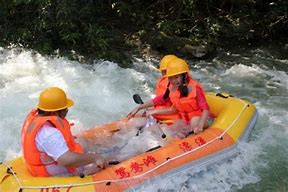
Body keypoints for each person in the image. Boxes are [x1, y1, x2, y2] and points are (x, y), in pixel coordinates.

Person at [21, 87, 107, 177]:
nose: (67, 111)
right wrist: (94, 158)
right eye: (65, 108)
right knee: (101, 161)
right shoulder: (50, 134)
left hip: (41, 162)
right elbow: (66, 160)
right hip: (49, 170)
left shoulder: (36, 119)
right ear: (55, 111)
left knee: (82, 142)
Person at [127, 58, 210, 136]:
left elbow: (205, 109)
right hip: (184, 121)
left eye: (176, 77)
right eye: (171, 78)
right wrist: (139, 107)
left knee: (194, 121)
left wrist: (200, 126)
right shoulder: (172, 89)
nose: (173, 81)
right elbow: (159, 100)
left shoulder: (195, 88)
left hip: (200, 120)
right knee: (168, 131)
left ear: (184, 76)